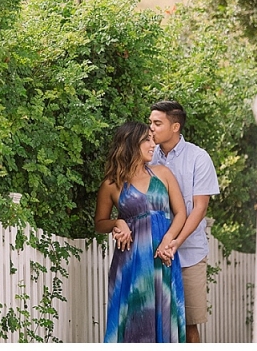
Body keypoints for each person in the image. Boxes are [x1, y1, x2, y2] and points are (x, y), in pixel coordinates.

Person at [95, 121, 187, 343]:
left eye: (152, 138)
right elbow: (99, 223)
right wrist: (118, 222)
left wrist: (168, 240)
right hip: (131, 263)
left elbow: (181, 212)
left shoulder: (163, 173)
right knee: (134, 316)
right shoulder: (112, 184)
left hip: (162, 257)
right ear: (130, 143)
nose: (152, 143)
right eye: (147, 139)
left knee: (166, 314)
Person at [147, 100, 220, 343]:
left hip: (189, 253)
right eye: (150, 123)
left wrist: (176, 242)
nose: (152, 129)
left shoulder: (199, 158)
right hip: (151, 251)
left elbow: (199, 208)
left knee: (188, 326)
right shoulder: (146, 156)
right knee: (153, 322)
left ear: (175, 126)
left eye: (158, 123)